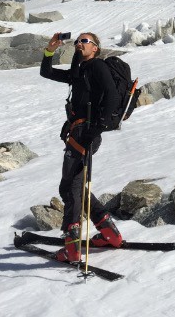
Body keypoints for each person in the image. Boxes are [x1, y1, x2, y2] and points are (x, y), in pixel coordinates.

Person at [40, 31, 123, 262]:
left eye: (84, 41)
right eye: (77, 41)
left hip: (85, 133)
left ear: (95, 47)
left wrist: (95, 130)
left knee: (69, 187)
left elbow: (113, 97)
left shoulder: (97, 67)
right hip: (79, 132)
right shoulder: (80, 72)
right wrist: (50, 50)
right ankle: (109, 233)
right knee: (77, 187)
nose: (79, 43)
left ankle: (72, 246)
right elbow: (46, 72)